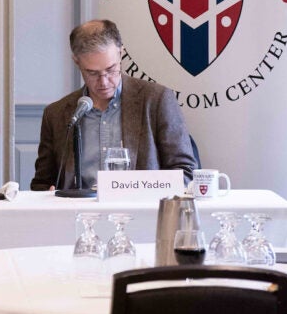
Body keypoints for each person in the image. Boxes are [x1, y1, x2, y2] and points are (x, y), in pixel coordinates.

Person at [31, 19, 197, 190]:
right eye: (92, 73)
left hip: (141, 212)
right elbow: (41, 184)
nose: (103, 82)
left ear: (121, 54)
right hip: (78, 214)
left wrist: (143, 191)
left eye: (111, 69)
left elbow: (186, 173)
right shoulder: (56, 114)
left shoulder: (156, 100)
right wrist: (48, 194)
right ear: (77, 62)